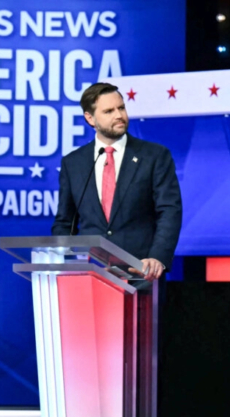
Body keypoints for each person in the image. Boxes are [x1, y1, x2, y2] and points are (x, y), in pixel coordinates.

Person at [52, 83, 182, 281]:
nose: (119, 115)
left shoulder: (154, 156)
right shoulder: (73, 163)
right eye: (109, 111)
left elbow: (169, 212)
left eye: (121, 108)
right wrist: (62, 261)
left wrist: (157, 258)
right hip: (89, 275)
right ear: (90, 118)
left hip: (141, 274)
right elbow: (65, 222)